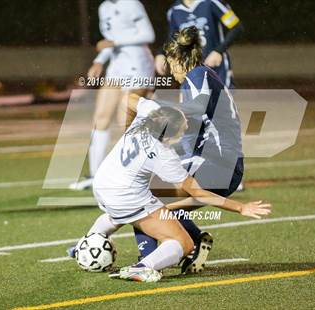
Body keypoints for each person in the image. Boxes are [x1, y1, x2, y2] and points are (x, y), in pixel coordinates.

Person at [83, 95, 271, 282]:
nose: (187, 125)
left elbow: (125, 98)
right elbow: (199, 193)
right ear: (169, 135)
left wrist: (127, 128)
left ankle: (85, 244)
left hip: (102, 183)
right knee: (183, 243)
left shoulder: (148, 113)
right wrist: (241, 207)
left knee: (145, 210)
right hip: (124, 196)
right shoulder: (164, 155)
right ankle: (142, 267)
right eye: (181, 130)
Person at [133, 26, 245, 273]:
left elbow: (198, 107)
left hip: (219, 164)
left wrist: (152, 106)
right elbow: (195, 126)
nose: (172, 71)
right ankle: (192, 243)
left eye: (173, 64)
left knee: (140, 196)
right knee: (159, 202)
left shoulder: (198, 75)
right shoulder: (197, 79)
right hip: (220, 164)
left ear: (181, 59)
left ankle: (150, 262)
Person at [70, 0, 155, 190]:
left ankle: (140, 175)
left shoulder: (131, 4)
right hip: (117, 65)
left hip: (137, 64)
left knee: (126, 120)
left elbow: (148, 34)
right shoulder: (104, 7)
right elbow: (110, 42)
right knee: (100, 117)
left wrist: (115, 42)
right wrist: (99, 61)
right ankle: (96, 176)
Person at [155, 0, 243, 88]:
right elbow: (172, 39)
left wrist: (218, 51)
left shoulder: (212, 3)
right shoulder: (174, 11)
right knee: (194, 100)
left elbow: (236, 27)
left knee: (221, 99)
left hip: (217, 67)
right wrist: (161, 54)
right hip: (191, 69)